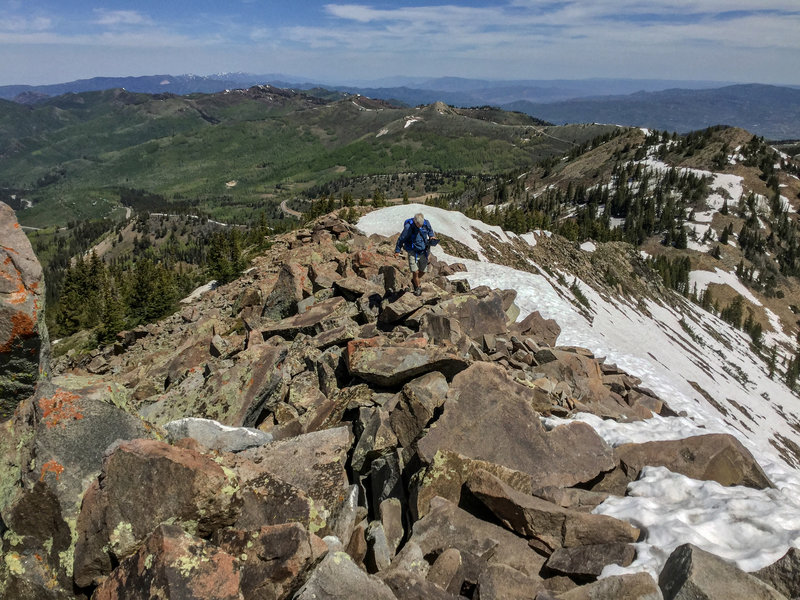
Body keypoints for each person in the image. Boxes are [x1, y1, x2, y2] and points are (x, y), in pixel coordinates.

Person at [394, 212, 437, 296]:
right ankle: (418, 287)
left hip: (423, 251)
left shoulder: (426, 223)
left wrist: (431, 236)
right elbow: (401, 239)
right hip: (413, 252)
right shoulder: (408, 227)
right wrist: (397, 250)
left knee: (423, 271)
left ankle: (414, 280)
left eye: (421, 224)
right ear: (415, 222)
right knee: (415, 271)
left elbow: (430, 231)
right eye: (419, 225)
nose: (420, 226)